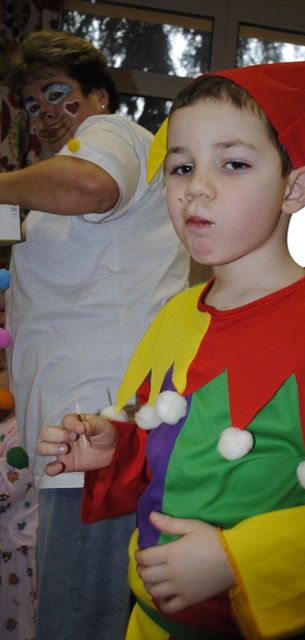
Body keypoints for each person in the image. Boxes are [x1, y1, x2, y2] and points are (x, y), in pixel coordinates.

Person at [37, 58, 305, 640]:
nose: (196, 187)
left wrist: (238, 561)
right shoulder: (174, 315)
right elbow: (157, 437)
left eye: (234, 163)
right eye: (182, 167)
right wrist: (113, 447)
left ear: (294, 189)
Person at [2, 30, 189, 640]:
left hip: (94, 434)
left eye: (59, 94)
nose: (46, 113)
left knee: (76, 623)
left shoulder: (110, 134)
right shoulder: (58, 186)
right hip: (79, 435)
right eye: (33, 105)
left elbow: (89, 185)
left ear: (100, 95)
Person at [0, 415, 37, 640]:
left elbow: (11, 485)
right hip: (11, 543)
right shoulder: (9, 425)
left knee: (21, 619)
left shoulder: (21, 427)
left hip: (21, 545)